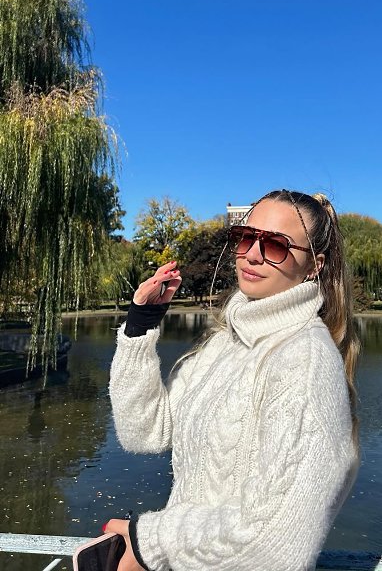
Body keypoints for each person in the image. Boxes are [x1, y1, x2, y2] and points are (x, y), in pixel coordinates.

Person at [105, 189, 359, 571]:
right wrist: (141, 324)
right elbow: (145, 432)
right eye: (245, 237)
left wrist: (149, 544)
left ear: (314, 265)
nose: (252, 254)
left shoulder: (305, 362)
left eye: (276, 245)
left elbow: (275, 544)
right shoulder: (226, 341)